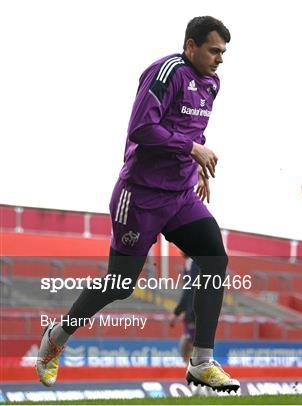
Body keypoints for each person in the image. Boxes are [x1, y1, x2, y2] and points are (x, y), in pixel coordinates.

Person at [36, 16, 240, 392]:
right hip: (140, 195)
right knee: (120, 283)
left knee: (215, 257)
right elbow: (141, 128)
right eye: (214, 50)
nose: (220, 59)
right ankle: (56, 336)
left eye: (224, 52)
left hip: (179, 195)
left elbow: (190, 129)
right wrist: (192, 148)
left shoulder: (212, 83)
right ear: (191, 46)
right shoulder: (165, 72)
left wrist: (197, 166)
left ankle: (202, 360)